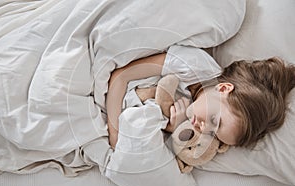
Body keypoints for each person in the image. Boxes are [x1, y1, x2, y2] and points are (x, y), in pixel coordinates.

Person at [106, 53, 295, 149]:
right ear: (223, 89)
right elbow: (121, 76)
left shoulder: (190, 122)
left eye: (213, 133)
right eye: (215, 121)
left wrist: (174, 129)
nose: (205, 129)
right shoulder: (192, 65)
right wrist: (114, 137)